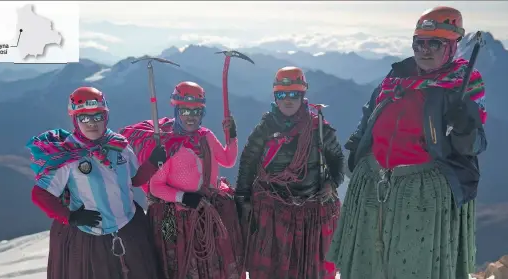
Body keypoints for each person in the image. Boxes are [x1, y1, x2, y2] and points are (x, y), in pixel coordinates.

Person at [326, 6, 487, 279]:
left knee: (412, 265)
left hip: (423, 191)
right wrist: (357, 146)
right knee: (371, 263)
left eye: (433, 43)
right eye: (419, 43)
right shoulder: (397, 76)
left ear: (452, 45)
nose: (424, 50)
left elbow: (473, 146)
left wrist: (465, 125)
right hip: (374, 183)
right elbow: (371, 113)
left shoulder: (463, 84)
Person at [26, 86, 163, 279]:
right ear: (75, 119)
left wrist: (152, 163)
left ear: (106, 116)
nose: (92, 123)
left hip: (129, 226)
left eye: (97, 116)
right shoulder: (68, 155)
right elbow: (40, 194)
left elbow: (134, 180)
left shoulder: (119, 146)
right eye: (84, 118)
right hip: (91, 237)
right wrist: (71, 217)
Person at [119, 81, 244, 279]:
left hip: (206, 209)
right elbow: (156, 187)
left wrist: (232, 136)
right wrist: (183, 197)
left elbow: (228, 160)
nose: (191, 117)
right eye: (185, 112)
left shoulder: (206, 136)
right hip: (177, 217)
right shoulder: (169, 145)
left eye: (197, 112)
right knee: (178, 264)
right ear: (177, 111)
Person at [235, 66, 344, 279]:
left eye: (294, 94)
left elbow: (337, 160)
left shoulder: (318, 127)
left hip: (309, 210)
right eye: (282, 95)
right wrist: (242, 201)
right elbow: (248, 163)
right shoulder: (265, 128)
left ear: (302, 96)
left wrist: (331, 184)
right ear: (275, 96)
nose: (288, 100)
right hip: (272, 209)